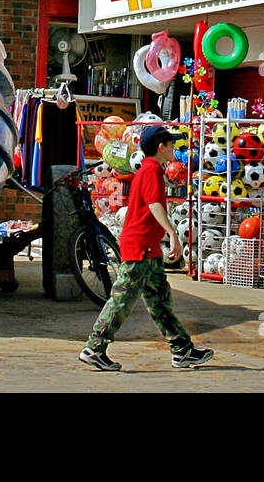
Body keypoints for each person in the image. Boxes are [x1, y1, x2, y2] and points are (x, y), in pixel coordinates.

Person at [79, 125, 214, 372]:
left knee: (160, 301)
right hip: (139, 247)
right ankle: (94, 347)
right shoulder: (151, 170)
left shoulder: (150, 169)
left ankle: (182, 350)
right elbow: (154, 204)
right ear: (161, 147)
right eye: (171, 144)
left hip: (147, 249)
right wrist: (173, 233)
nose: (175, 148)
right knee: (122, 299)